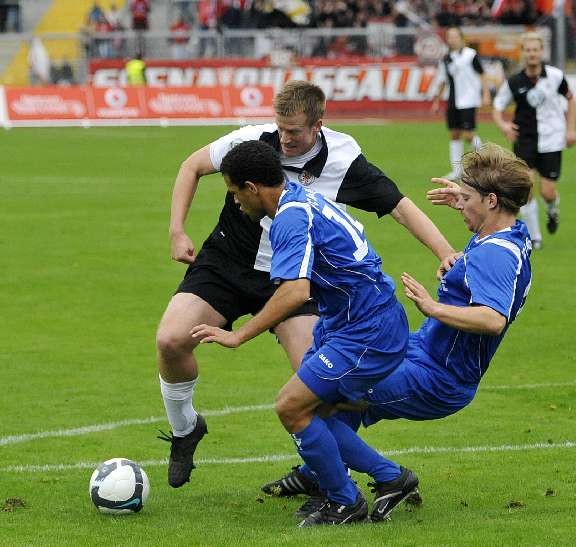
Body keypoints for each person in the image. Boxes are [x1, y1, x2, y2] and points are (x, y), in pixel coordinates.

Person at [155, 81, 454, 490]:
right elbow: (192, 165)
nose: (285, 139)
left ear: (318, 126)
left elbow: (399, 207)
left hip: (298, 279)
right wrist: (176, 230)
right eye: (281, 128)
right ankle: (185, 428)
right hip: (229, 262)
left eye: (294, 131)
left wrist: (445, 252)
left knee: (317, 391)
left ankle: (328, 476)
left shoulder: (344, 160)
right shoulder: (253, 141)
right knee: (171, 340)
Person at [262, 143, 533, 523]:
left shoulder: (496, 254)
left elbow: (492, 320)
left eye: (469, 198)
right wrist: (466, 204)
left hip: (439, 376)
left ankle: (389, 478)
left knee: (320, 400)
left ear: (491, 201)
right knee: (340, 383)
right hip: (422, 351)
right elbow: (489, 253)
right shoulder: (506, 235)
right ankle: (319, 476)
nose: (461, 205)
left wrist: (434, 307)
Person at [190, 140, 409, 527]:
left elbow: (295, 291)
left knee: (291, 407)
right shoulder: (298, 198)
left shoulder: (290, 216)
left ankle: (346, 502)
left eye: (235, 192)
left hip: (367, 329)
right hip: (352, 322)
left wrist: (238, 335)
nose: (235, 202)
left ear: (252, 188)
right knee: (316, 410)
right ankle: (392, 479)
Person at [492, 31, 576, 250]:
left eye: (535, 50)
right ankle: (534, 237)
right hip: (525, 139)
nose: (532, 54)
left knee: (547, 192)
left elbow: (572, 100)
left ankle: (552, 208)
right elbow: (498, 106)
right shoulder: (515, 81)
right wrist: (503, 125)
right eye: (528, 50)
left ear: (542, 52)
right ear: (523, 53)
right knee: (526, 188)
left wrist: (570, 129)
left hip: (551, 139)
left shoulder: (556, 77)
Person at [431, 26, 491, 180]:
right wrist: (437, 101)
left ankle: (486, 158)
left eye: (455, 36)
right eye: (449, 36)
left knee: (468, 135)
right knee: (454, 134)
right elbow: (443, 80)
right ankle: (457, 171)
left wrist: (485, 93)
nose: (452, 39)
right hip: (453, 100)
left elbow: (482, 74)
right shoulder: (446, 58)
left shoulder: (470, 55)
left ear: (461, 38)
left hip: (469, 99)